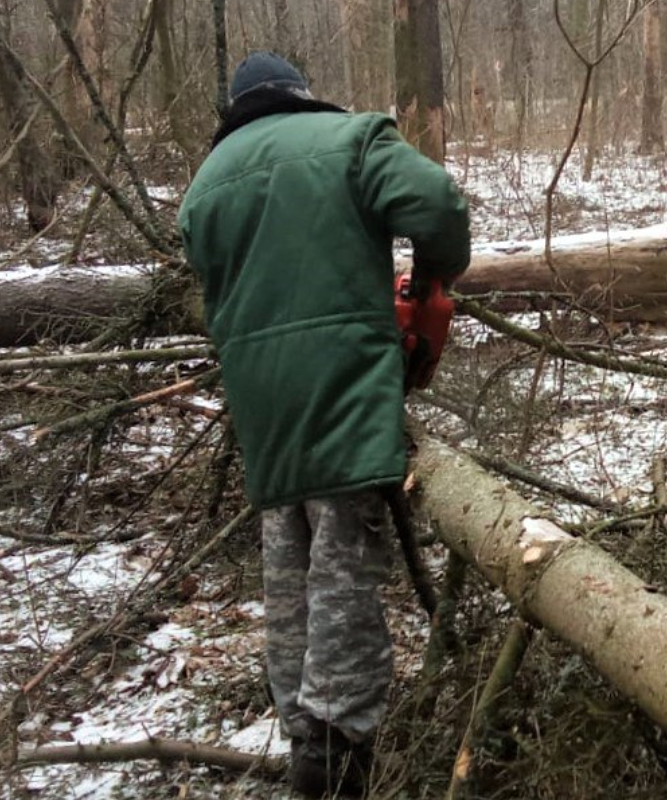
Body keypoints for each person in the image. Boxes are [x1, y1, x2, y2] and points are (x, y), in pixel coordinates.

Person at [179, 52, 470, 798]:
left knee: (289, 559)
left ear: (239, 108)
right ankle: (338, 747)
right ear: (300, 98)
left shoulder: (204, 186)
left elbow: (217, 290)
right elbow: (436, 202)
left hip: (258, 395)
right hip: (341, 379)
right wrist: (433, 276)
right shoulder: (352, 141)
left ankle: (300, 725)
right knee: (343, 562)